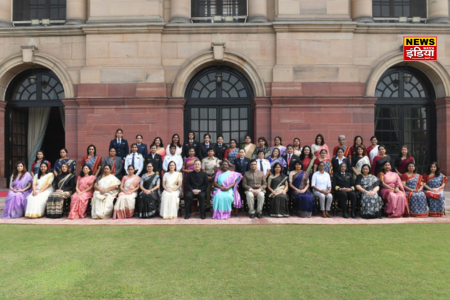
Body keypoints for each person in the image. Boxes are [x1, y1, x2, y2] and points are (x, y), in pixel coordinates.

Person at [182, 147, 199, 212]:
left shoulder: (197, 159)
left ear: (194, 152)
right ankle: (188, 207)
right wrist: (189, 171)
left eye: (193, 151)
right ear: (188, 152)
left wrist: (193, 171)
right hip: (187, 176)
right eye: (190, 151)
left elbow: (199, 168)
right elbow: (183, 169)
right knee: (188, 190)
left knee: (195, 189)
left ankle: (195, 207)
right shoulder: (186, 160)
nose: (191, 153)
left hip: (195, 176)